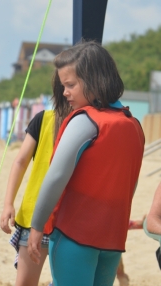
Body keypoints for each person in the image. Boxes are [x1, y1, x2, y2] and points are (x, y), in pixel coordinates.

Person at [27, 41, 145, 285]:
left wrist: (37, 226)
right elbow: (129, 185)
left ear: (95, 80)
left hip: (74, 236)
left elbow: (56, 177)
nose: (65, 93)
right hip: (112, 239)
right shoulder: (134, 125)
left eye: (70, 85)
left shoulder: (85, 121)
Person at [0, 99, 71, 285]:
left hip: (71, 219)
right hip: (34, 215)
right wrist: (8, 203)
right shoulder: (44, 119)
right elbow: (20, 161)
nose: (67, 92)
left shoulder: (90, 122)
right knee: (25, 282)